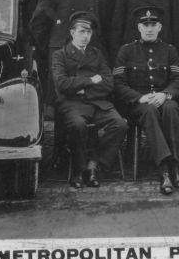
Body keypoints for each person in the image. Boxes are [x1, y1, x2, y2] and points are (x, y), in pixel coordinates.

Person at [113, 6, 179, 195]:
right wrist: (139, 97)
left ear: (160, 27)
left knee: (170, 108)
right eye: (145, 25)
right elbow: (119, 84)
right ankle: (165, 170)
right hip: (139, 105)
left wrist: (165, 94)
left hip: (165, 99)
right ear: (138, 27)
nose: (149, 29)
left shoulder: (170, 50)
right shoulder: (126, 51)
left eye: (153, 24)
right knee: (149, 110)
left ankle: (175, 167)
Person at [51, 11, 128, 188]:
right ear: (72, 33)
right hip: (72, 104)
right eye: (81, 32)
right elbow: (61, 84)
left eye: (89, 33)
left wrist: (82, 89)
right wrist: (91, 80)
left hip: (98, 103)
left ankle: (94, 164)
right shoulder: (60, 55)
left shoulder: (97, 54)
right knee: (78, 125)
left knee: (120, 124)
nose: (85, 37)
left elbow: (109, 83)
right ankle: (78, 170)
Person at [30, 0, 102, 117]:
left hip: (87, 53)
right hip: (61, 52)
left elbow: (98, 25)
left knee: (86, 98)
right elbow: (38, 24)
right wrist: (51, 46)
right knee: (58, 103)